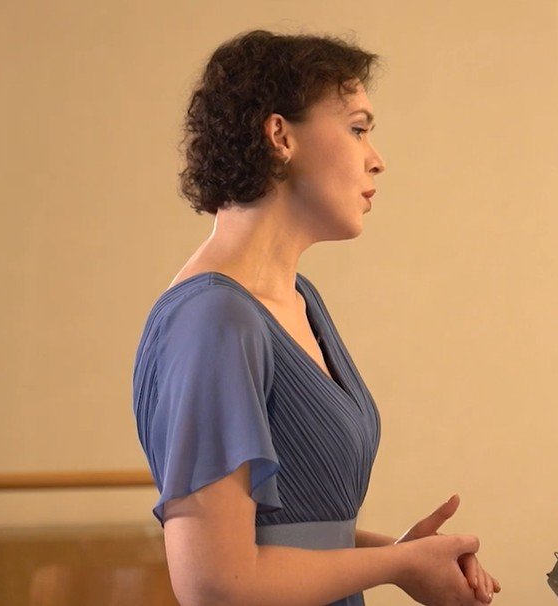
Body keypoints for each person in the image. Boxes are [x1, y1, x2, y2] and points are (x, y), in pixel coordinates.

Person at [132, 30, 500, 606]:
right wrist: (397, 562)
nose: (377, 159)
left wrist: (405, 557)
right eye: (357, 129)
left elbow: (288, 533)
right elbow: (215, 583)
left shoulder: (299, 299)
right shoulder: (214, 320)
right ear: (280, 136)